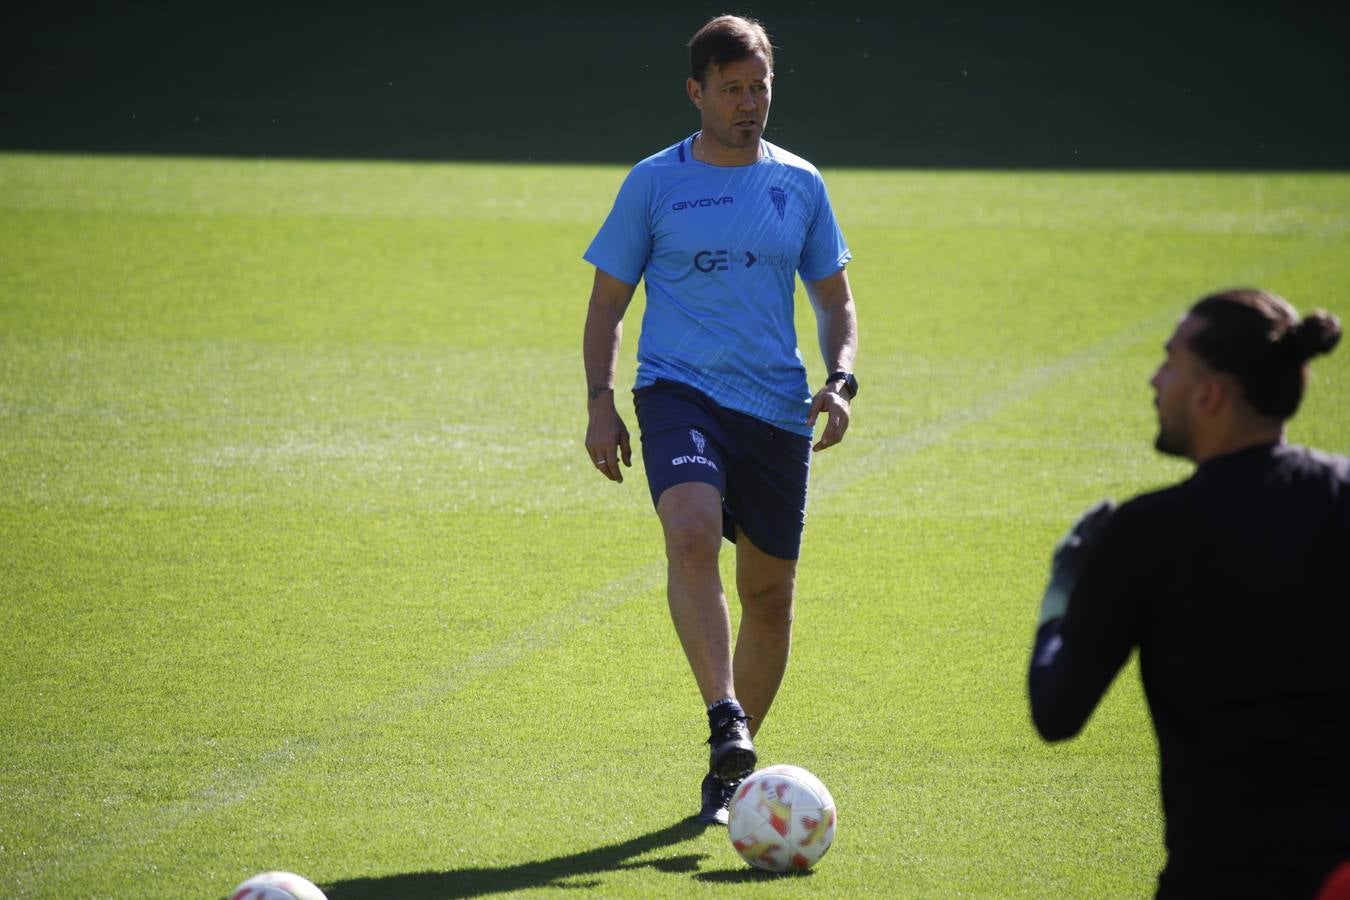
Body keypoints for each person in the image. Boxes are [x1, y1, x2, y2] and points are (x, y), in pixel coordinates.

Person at [581, 14, 859, 825]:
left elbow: (836, 300)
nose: (749, 103)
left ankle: (729, 770)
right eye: (732, 89)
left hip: (774, 407)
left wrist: (840, 381)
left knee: (769, 596)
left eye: (760, 87)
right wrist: (601, 400)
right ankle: (725, 715)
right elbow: (607, 305)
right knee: (692, 530)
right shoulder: (653, 183)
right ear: (696, 92)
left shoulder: (801, 184)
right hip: (678, 392)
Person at [1027, 288, 1349, 897]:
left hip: (1218, 875)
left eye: (1170, 361)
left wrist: (1063, 588)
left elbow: (1057, 709)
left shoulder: (1147, 532)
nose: (1155, 379)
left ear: (1210, 394)